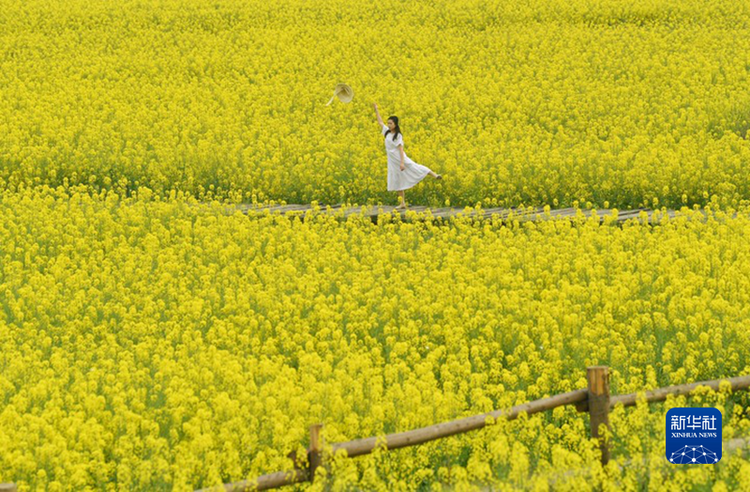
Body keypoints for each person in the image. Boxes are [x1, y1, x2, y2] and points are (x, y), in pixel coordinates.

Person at [373, 103, 442, 209]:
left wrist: (402, 162)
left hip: (400, 158)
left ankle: (435, 175)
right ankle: (402, 203)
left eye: (391, 123)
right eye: (388, 123)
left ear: (395, 124)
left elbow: (401, 149)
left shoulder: (398, 135)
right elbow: (380, 122)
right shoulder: (387, 132)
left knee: (415, 166)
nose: (389, 125)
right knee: (397, 179)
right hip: (392, 161)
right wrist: (376, 109)